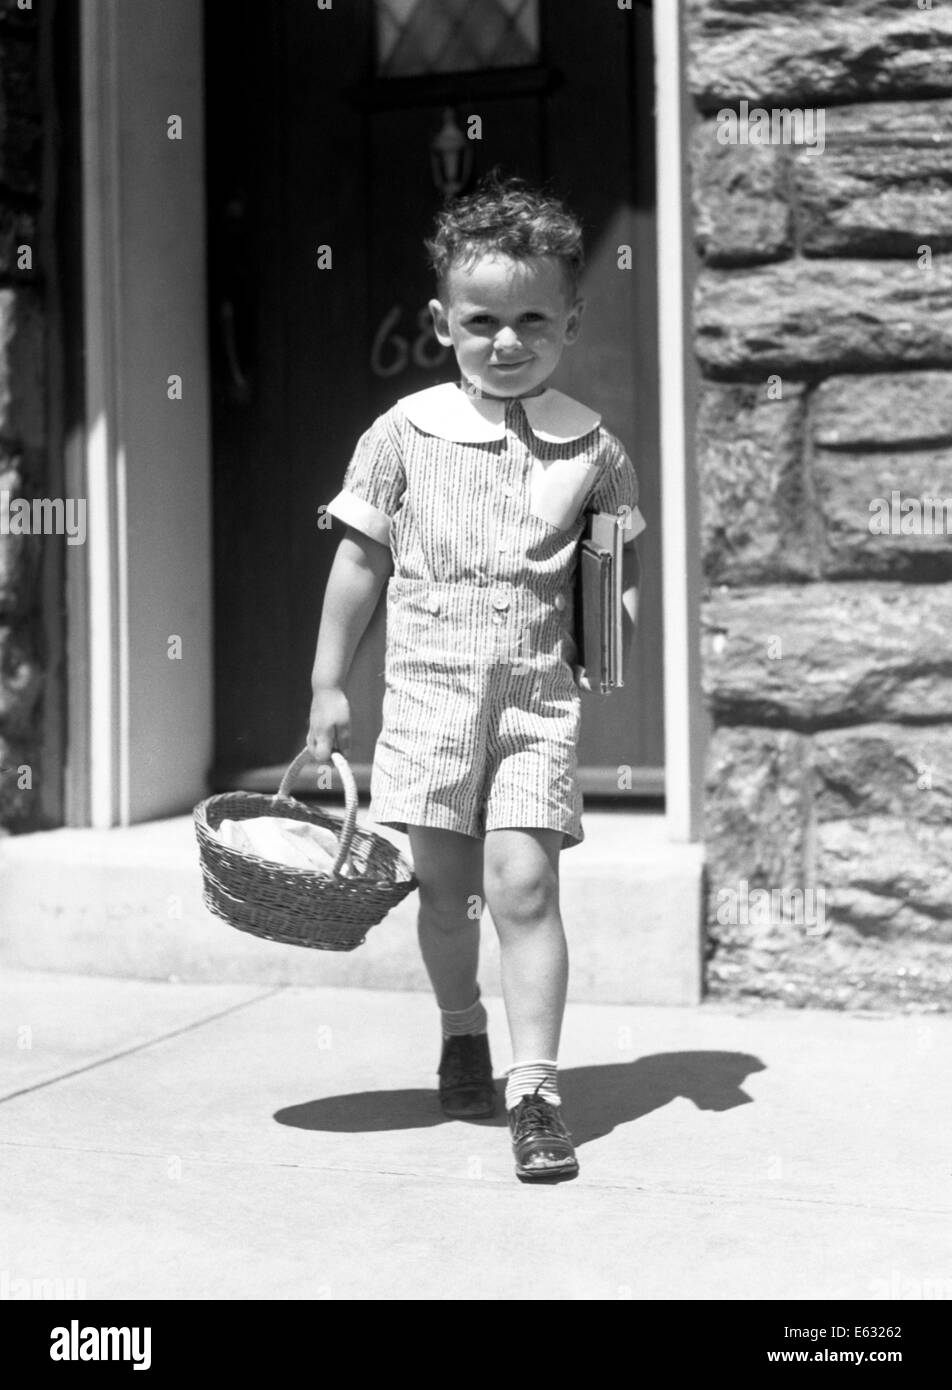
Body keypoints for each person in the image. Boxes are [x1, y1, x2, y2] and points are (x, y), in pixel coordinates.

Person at [308, 175, 645, 1182]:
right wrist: (330, 683)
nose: (507, 340)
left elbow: (612, 569)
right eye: (482, 320)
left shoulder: (593, 447)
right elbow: (360, 561)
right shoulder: (403, 433)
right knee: (447, 895)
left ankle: (534, 1089)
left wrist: (608, 635)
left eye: (533, 318)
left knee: (526, 886)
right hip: (426, 703)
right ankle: (462, 1026)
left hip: (535, 705)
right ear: (440, 322)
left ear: (571, 319)